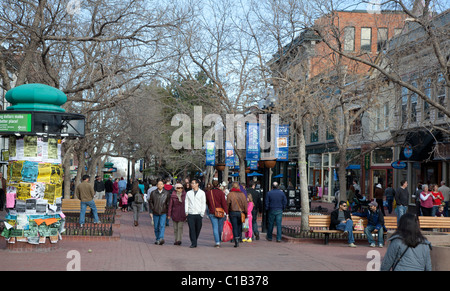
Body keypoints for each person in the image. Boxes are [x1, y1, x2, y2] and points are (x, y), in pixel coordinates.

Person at [205, 180, 228, 248]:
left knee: (215, 227)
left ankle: (217, 242)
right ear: (218, 185)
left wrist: (210, 208)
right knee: (220, 227)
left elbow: (207, 202)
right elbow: (224, 204)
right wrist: (226, 213)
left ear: (212, 185)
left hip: (212, 212)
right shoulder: (221, 193)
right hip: (220, 212)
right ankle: (219, 238)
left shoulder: (209, 193)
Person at [185, 179, 206, 248]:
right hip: (190, 213)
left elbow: (203, 203)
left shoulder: (202, 193)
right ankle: (193, 242)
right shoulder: (188, 193)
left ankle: (194, 239)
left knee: (198, 228)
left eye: (193, 183)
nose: (192, 185)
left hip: (198, 213)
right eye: (191, 183)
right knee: (191, 228)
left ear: (197, 184)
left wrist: (202, 213)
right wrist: (186, 211)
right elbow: (186, 202)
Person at [149, 180, 171, 245]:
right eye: (159, 184)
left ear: (163, 185)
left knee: (162, 225)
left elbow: (168, 203)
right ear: (157, 185)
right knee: (156, 227)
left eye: (161, 184)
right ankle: (157, 238)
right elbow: (150, 202)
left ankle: (161, 238)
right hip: (155, 212)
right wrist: (152, 210)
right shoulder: (153, 193)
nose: (160, 185)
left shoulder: (166, 193)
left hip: (163, 212)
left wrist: (167, 212)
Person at [227, 181, 248, 247]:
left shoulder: (230, 194)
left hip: (232, 212)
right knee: (239, 225)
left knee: (234, 226)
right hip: (241, 212)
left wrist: (227, 212)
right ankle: (239, 238)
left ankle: (236, 239)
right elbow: (245, 204)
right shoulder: (242, 194)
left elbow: (227, 204)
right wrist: (246, 212)